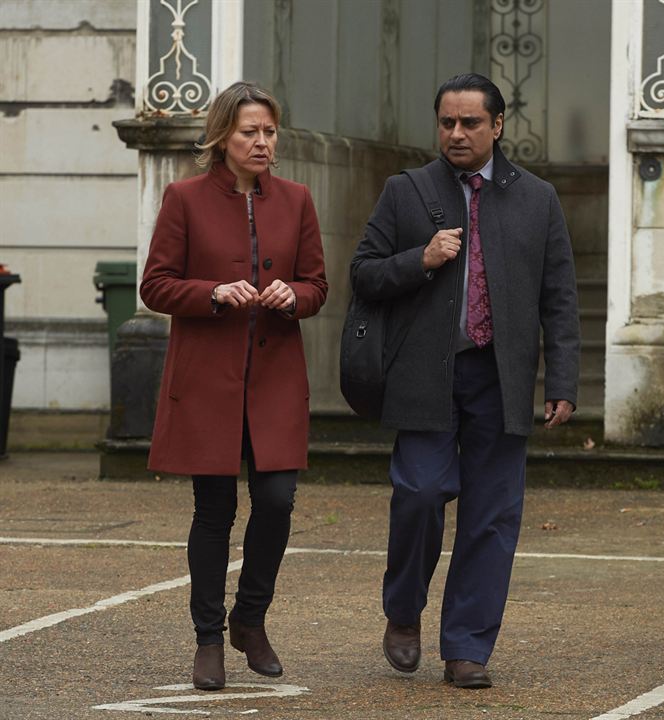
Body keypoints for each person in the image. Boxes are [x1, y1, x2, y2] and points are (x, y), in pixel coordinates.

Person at [351, 73, 580, 689]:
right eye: (447, 123)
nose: (456, 133)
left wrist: (561, 379)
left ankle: (467, 648)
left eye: (470, 123)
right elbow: (363, 274)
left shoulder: (537, 199)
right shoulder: (407, 191)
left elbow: (558, 298)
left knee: (491, 516)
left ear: (497, 126)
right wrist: (417, 261)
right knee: (421, 494)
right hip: (424, 376)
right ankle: (403, 610)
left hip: (499, 379)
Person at [140, 81, 327, 691]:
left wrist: (292, 296)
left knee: (277, 502)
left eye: (270, 132)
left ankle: (250, 619)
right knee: (214, 510)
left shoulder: (297, 200)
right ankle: (207, 639)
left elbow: (317, 286)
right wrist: (214, 293)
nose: (262, 142)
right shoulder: (184, 198)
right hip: (208, 383)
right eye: (250, 132)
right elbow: (156, 285)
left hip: (274, 379)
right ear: (222, 136)